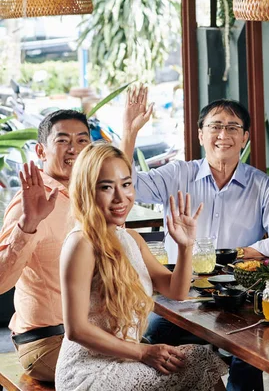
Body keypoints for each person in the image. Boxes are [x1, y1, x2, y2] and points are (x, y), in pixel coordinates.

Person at [120, 87, 269, 391]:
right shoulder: (177, 175)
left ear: (245, 138)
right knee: (151, 342)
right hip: (180, 294)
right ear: (200, 134)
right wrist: (130, 132)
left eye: (232, 127)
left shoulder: (261, 185)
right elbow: (129, 184)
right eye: (214, 126)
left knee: (252, 351)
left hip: (238, 297)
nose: (223, 134)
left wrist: (243, 252)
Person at [54, 142, 228, 390]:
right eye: (106, 187)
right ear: (87, 191)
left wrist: (185, 246)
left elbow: (176, 291)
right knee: (198, 361)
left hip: (125, 358)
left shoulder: (131, 238)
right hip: (88, 373)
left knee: (197, 359)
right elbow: (76, 330)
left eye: (126, 184)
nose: (121, 197)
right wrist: (142, 352)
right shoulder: (81, 243)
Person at [0, 109, 91, 381]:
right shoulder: (30, 202)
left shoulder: (87, 197)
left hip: (93, 335)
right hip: (48, 342)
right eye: (62, 140)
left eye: (82, 141)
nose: (73, 149)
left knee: (192, 360)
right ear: (41, 151)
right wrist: (28, 224)